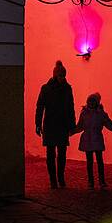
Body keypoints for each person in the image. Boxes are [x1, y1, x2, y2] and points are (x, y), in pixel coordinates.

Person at [35, 60, 76, 188]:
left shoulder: (66, 88)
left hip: (59, 124)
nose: (62, 78)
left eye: (63, 76)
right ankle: (54, 179)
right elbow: (40, 107)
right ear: (55, 75)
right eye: (60, 76)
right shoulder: (47, 88)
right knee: (51, 153)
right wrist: (38, 123)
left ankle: (60, 178)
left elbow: (70, 107)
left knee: (61, 153)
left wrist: (72, 125)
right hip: (52, 124)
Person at [72, 92, 112, 189]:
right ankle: (94, 182)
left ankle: (99, 182)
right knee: (92, 162)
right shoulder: (93, 113)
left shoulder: (96, 114)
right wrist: (72, 131)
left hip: (91, 139)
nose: (91, 103)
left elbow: (109, 124)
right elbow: (80, 126)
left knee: (97, 161)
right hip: (92, 139)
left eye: (92, 101)